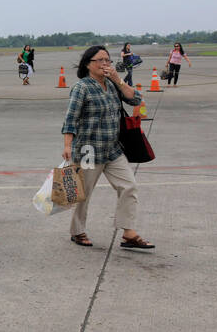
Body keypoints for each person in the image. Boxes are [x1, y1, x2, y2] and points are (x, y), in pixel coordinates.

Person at [62, 45, 152, 250]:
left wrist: (118, 80)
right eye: (100, 60)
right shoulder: (82, 87)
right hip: (88, 150)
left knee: (129, 185)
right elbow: (70, 119)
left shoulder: (112, 85)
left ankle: (128, 233)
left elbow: (136, 99)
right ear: (88, 64)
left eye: (107, 60)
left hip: (112, 149)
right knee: (83, 194)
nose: (105, 64)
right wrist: (67, 145)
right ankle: (77, 231)